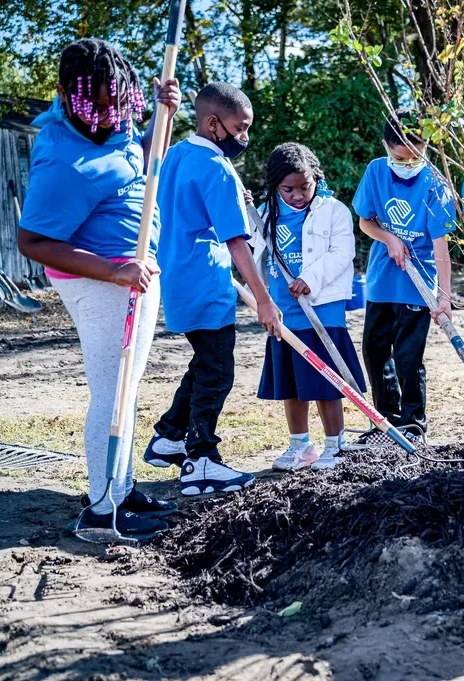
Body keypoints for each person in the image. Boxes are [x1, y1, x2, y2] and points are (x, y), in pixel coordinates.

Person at [17, 38, 181, 541]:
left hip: (131, 275)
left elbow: (142, 163)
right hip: (104, 283)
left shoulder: (111, 122)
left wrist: (163, 117)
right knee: (112, 395)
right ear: (67, 92)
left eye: (119, 104)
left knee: (126, 390)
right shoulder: (63, 159)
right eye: (100, 106)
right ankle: (101, 510)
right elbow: (32, 241)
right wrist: (113, 272)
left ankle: (121, 487)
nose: (111, 116)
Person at [142, 82, 282, 495]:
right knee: (218, 371)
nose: (245, 137)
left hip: (177, 276)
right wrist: (265, 300)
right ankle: (201, 460)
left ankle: (169, 436)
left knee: (206, 362)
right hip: (205, 280)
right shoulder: (218, 168)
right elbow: (236, 243)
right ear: (214, 123)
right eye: (240, 128)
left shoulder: (177, 155)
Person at [254, 143, 365, 470]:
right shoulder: (264, 213)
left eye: (305, 186)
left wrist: (310, 278)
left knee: (326, 382)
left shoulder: (333, 210)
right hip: (283, 311)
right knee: (292, 383)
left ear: (316, 178)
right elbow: (250, 251)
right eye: (287, 189)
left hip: (322, 309)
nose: (298, 195)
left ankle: (336, 445)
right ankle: (300, 446)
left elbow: (342, 253)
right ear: (275, 186)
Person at [351, 110, 456, 445]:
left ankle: (413, 425)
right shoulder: (376, 171)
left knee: (408, 357)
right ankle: (386, 424)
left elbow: (441, 245)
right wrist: (389, 238)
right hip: (382, 280)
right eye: (399, 158)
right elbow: (365, 221)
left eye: (415, 156)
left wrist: (444, 296)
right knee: (375, 353)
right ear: (386, 146)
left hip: (417, 285)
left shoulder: (435, 183)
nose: (407, 164)